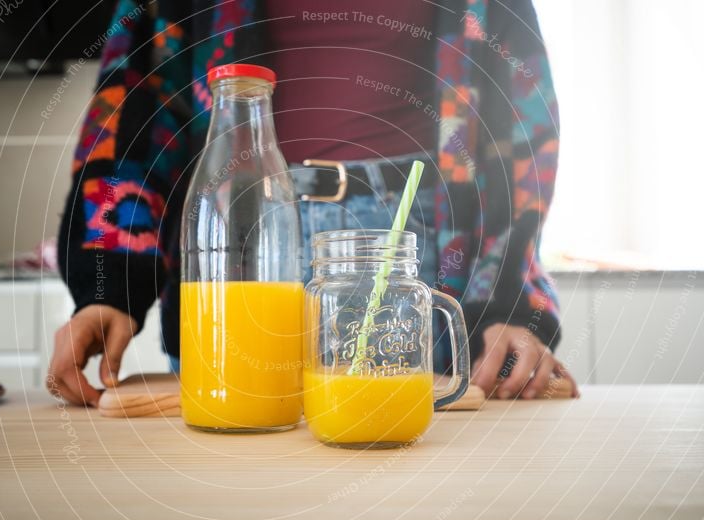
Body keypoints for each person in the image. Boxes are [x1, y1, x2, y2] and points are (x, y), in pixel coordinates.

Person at [48, 0, 578, 406]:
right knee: (234, 475)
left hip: (413, 245)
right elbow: (136, 108)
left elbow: (521, 128)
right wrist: (107, 283)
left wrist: (505, 302)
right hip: (238, 241)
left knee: (406, 477)